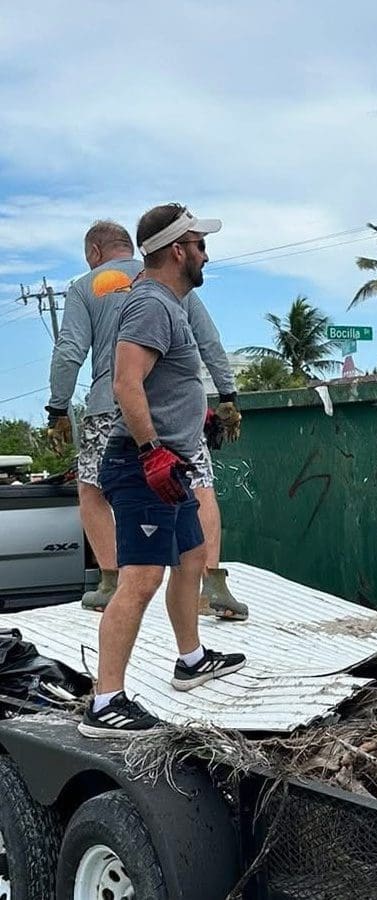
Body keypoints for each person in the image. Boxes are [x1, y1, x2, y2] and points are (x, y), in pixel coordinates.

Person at [79, 204, 246, 738]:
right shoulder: (152, 305)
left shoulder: (173, 304)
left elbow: (165, 384)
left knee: (193, 557)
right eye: (198, 243)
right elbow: (127, 384)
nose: (204, 252)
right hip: (143, 464)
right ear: (177, 250)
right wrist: (152, 450)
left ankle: (191, 659)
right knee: (141, 578)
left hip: (170, 461)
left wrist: (201, 420)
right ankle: (106, 702)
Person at [46, 220, 248, 620]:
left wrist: (57, 408)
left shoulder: (88, 285)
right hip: (175, 413)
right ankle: (214, 584)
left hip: (112, 407)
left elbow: (70, 349)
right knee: (199, 484)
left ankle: (110, 582)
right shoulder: (166, 279)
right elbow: (209, 339)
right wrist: (227, 395)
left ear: (94, 253)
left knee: (93, 489)